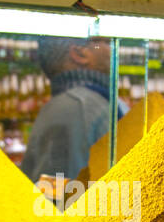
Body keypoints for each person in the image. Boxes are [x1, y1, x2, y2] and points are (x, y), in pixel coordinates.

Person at [20, 36, 121, 183]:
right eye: (104, 42)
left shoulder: (85, 103)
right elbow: (57, 195)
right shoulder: (74, 107)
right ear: (79, 53)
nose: (114, 48)